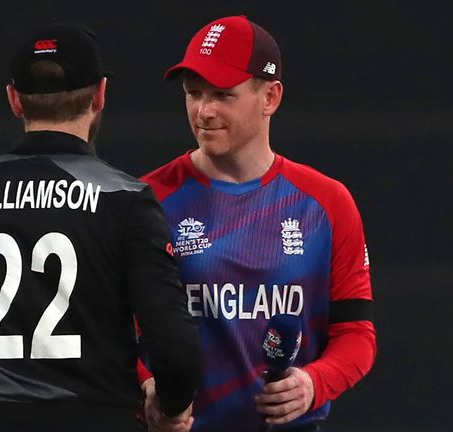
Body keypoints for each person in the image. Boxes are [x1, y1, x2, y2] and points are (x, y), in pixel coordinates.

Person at [0, 21, 202, 432]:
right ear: (100, 94)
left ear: (14, 100)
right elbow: (175, 346)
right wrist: (170, 407)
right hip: (97, 417)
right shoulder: (125, 200)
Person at [139, 15, 376, 432]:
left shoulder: (327, 203)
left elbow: (356, 334)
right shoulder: (146, 201)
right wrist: (146, 388)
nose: (204, 111)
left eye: (222, 95)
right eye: (193, 94)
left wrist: (312, 383)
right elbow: (112, 331)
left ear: (270, 97)